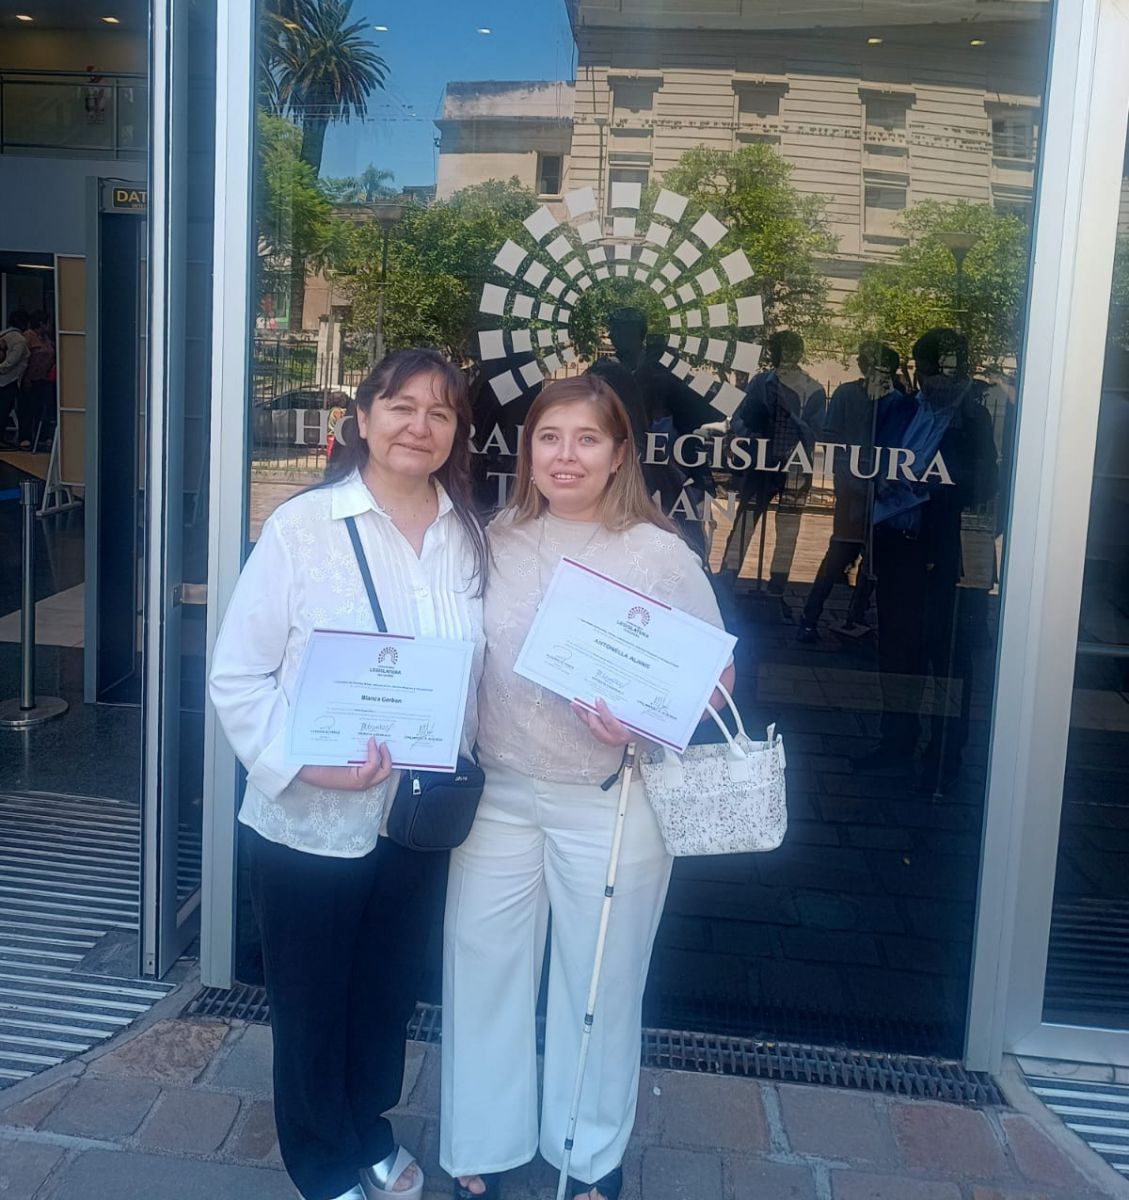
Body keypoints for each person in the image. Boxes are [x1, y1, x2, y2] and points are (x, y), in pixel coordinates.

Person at [442, 375, 735, 1200]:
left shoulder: (656, 552)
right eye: (548, 437)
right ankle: (485, 1142)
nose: (564, 456)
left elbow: (715, 679)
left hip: (612, 797)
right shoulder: (490, 537)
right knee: (482, 967)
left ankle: (587, 1155)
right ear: (526, 448)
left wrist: (643, 719)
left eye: (585, 440)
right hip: (497, 794)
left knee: (598, 985)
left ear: (617, 457)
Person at [209, 348, 488, 1200]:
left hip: (414, 817)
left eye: (439, 413)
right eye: (400, 407)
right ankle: (321, 1160)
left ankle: (367, 1131)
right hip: (308, 820)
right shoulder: (303, 529)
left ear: (455, 433)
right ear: (360, 417)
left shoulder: (467, 536)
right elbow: (235, 675)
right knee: (311, 1001)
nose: (418, 427)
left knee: (386, 996)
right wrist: (305, 766)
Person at [855, 328, 998, 789]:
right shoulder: (895, 408)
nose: (937, 377)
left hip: (942, 554)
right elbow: (865, 464)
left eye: (947, 368)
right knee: (897, 652)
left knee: (949, 657)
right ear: (917, 368)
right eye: (930, 366)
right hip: (896, 548)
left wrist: (933, 487)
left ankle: (944, 757)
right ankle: (896, 741)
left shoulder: (972, 420)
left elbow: (986, 487)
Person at [796, 343, 901, 642]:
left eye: (887, 371)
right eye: (876, 369)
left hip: (883, 493)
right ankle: (810, 616)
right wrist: (847, 481)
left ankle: (855, 615)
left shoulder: (895, 401)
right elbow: (832, 441)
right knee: (838, 554)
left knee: (874, 559)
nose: (882, 376)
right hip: (852, 490)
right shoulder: (844, 395)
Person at [721, 331, 826, 594]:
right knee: (745, 520)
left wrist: (792, 417)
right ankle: (727, 577)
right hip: (761, 463)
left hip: (794, 467)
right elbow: (739, 418)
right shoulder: (760, 383)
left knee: (788, 527)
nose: (785, 357)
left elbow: (817, 432)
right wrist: (752, 438)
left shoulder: (813, 389)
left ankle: (777, 586)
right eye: (780, 351)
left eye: (791, 351)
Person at [22, 310, 56, 449]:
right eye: (48, 323)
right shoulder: (28, 336)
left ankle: (42, 434)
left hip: (44, 377)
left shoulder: (46, 338)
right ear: (42, 323)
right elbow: (24, 356)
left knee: (43, 407)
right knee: (28, 408)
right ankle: (25, 437)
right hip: (30, 377)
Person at [0, 310, 31, 448]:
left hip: (5, 379)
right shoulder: (19, 340)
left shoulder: (3, 334)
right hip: (8, 380)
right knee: (4, 409)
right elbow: (11, 362)